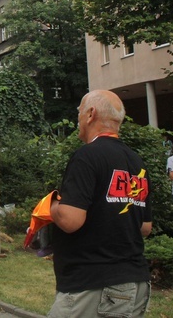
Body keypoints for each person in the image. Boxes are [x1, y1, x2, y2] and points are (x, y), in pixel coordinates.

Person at [48, 90, 152, 317]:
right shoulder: (136, 161)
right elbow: (145, 227)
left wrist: (51, 205)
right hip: (136, 281)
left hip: (94, 285)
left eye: (79, 111)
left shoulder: (87, 156)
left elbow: (70, 220)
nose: (78, 118)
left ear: (90, 114)